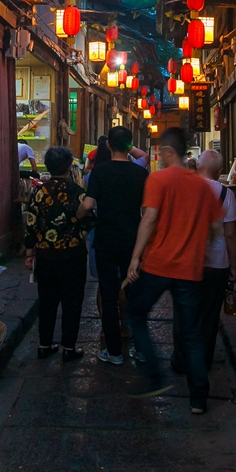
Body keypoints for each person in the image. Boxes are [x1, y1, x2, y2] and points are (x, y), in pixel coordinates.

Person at [125, 127, 225, 414]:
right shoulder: (202, 187)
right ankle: (198, 399)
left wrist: (135, 258)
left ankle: (155, 377)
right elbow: (216, 229)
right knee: (191, 333)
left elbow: (149, 219)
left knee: (136, 313)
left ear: (168, 151)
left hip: (159, 264)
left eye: (160, 150)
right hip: (190, 269)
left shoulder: (158, 179)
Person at [77, 125, 148, 365]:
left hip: (106, 239)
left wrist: (76, 217)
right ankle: (140, 348)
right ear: (130, 145)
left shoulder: (100, 171)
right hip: (132, 241)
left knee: (108, 294)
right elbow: (147, 212)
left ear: (108, 145)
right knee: (135, 293)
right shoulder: (141, 173)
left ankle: (114, 352)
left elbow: (87, 206)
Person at [24, 146, 91, 362]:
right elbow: (89, 221)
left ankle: (44, 345)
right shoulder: (78, 191)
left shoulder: (39, 192)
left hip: (46, 256)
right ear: (69, 167)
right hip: (73, 256)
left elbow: (31, 224)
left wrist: (29, 253)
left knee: (47, 301)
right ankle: (69, 348)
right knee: (72, 302)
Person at [191, 149, 236, 369]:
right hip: (217, 264)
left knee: (187, 311)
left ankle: (183, 358)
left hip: (189, 261)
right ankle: (204, 360)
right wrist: (234, 265)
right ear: (220, 171)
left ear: (198, 167)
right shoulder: (225, 194)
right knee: (210, 315)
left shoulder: (186, 189)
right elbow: (230, 233)